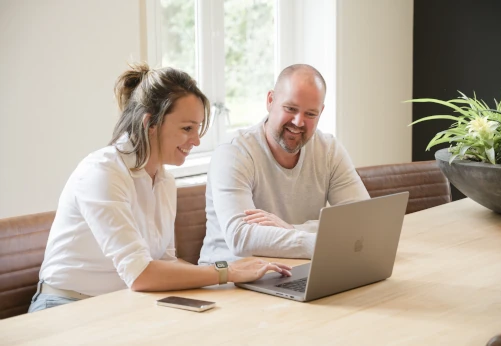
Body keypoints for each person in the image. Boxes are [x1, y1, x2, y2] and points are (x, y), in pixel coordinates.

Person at [29, 63, 291, 313]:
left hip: (123, 305)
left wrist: (235, 272)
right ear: (149, 124)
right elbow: (140, 274)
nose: (197, 140)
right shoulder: (102, 172)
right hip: (64, 306)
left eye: (198, 129)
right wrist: (226, 271)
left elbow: (164, 262)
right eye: (187, 128)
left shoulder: (164, 181)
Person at [199, 64, 370, 265]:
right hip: (227, 281)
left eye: (310, 114)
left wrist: (292, 229)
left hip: (295, 270)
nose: (298, 122)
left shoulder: (329, 150)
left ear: (321, 112)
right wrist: (325, 244)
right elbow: (242, 238)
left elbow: (362, 220)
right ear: (270, 100)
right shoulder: (234, 153)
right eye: (290, 109)